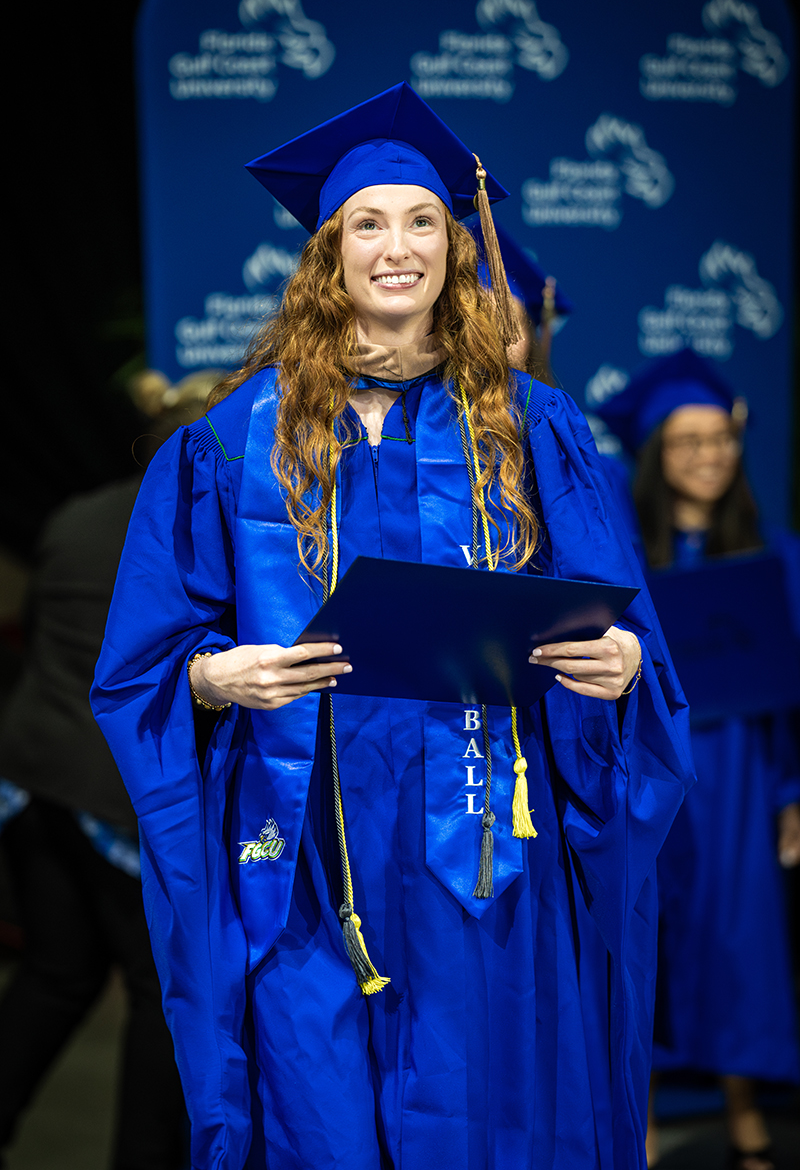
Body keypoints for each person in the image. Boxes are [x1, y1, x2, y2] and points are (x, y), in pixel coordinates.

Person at [91, 82, 692, 1170]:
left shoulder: (528, 425)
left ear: (457, 253)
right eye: (367, 223)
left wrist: (618, 665)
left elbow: (622, 630)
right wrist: (219, 677)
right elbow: (146, 659)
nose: (398, 246)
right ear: (328, 255)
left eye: (423, 221)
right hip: (305, 856)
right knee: (317, 1120)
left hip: (483, 864)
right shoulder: (236, 438)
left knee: (479, 1121)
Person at [0, 373, 218, 1168]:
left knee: (56, 975)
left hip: (35, 781)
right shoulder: (191, 540)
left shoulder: (76, 513)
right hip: (118, 805)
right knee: (167, 1002)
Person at [596, 348, 800, 1170]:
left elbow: (791, 696)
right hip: (647, 772)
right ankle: (635, 1126)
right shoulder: (620, 562)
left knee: (739, 940)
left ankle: (746, 1113)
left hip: (745, 778)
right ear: (652, 455)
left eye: (720, 438)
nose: (707, 455)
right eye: (685, 442)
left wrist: (793, 791)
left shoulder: (775, 556)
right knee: (644, 937)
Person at [465, 216, 573, 385]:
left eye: (510, 324)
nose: (498, 337)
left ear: (530, 337)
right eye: (483, 321)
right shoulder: (430, 409)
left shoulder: (552, 410)